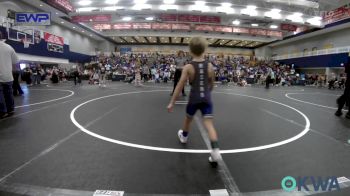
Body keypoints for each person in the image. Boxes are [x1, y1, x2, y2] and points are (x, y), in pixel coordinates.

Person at [167, 37, 222, 165]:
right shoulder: (209, 65)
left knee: (188, 119)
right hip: (206, 98)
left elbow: (180, 85)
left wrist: (172, 102)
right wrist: (207, 93)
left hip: (194, 98)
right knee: (209, 124)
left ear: (190, 51)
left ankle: (184, 137)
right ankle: (215, 152)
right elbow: (212, 84)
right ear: (204, 50)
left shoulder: (188, 67)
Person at [0, 32, 19, 118]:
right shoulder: (9, 47)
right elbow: (15, 61)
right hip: (8, 75)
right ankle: (11, 110)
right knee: (8, 93)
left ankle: (2, 112)